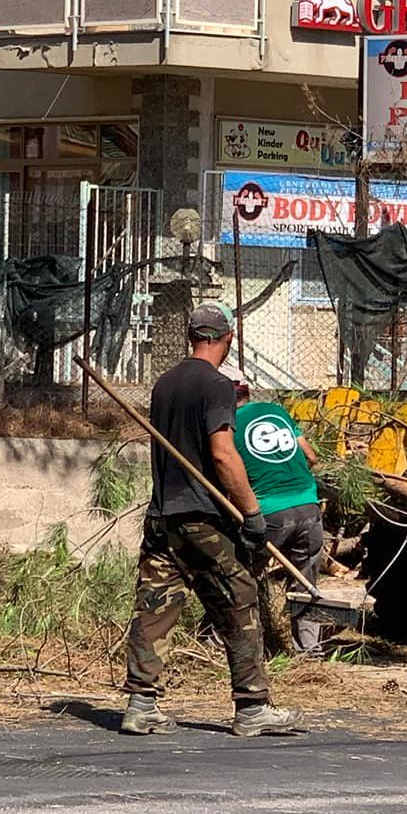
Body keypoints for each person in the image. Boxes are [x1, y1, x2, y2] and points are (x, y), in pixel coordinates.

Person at [121, 303, 299, 738]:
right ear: (228, 339)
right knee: (238, 600)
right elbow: (222, 453)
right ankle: (253, 706)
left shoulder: (165, 384)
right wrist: (252, 513)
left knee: (155, 605)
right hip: (201, 516)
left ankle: (141, 703)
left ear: (189, 336)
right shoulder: (217, 386)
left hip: (162, 515)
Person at [226, 366, 327, 657]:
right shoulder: (277, 411)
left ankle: (229, 643)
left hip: (267, 512)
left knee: (240, 574)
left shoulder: (227, 426)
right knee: (305, 580)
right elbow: (311, 456)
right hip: (308, 506)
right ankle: (309, 649)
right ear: (248, 390)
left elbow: (227, 471)